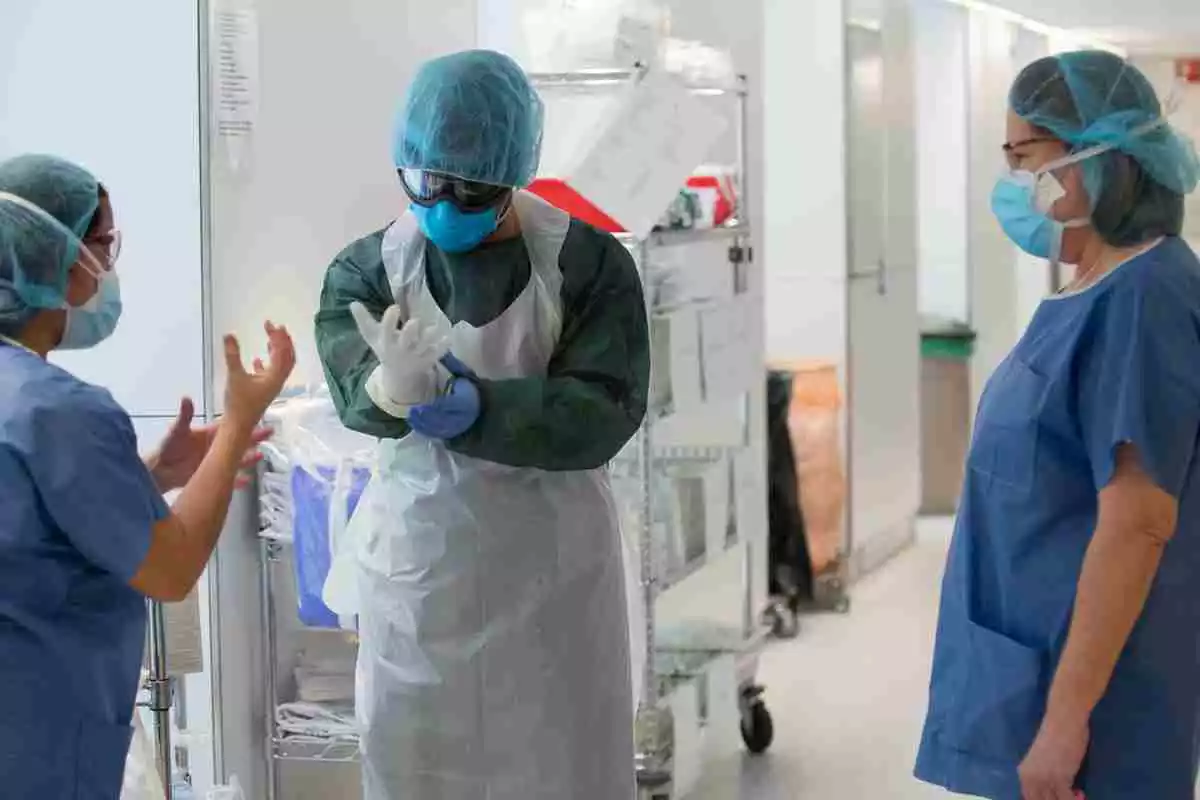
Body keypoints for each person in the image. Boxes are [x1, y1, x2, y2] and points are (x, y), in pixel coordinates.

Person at [315, 50, 649, 799]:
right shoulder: (368, 268)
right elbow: (350, 392)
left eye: (470, 188)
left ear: (514, 172)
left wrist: (483, 409)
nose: (443, 203)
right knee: (417, 772)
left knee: (561, 771)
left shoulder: (587, 265)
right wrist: (389, 389)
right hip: (422, 582)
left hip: (552, 579)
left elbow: (607, 408)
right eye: (428, 182)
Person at [915, 51, 1200, 800]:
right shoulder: (1092, 287)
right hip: (1021, 674)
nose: (1014, 182)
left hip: (1093, 715)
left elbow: (1138, 522)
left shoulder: (1146, 299)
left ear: (1096, 157)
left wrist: (1066, 723)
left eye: (1024, 158)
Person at [0, 153, 295, 798]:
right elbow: (171, 566)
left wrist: (154, 472)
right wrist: (241, 419)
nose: (110, 267)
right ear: (63, 260)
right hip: (35, 749)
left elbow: (27, 514)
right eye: (104, 244)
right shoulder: (60, 411)